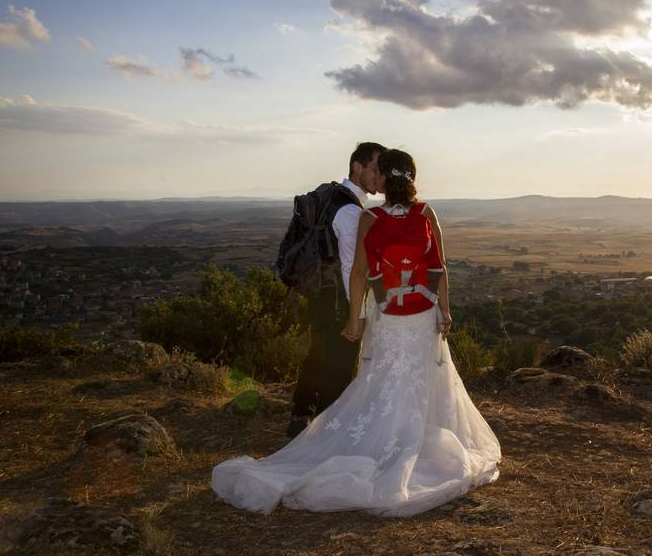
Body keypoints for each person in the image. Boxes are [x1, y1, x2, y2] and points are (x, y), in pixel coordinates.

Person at [212, 149, 501, 517]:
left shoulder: (369, 217)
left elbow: (358, 273)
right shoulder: (426, 212)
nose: (376, 178)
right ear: (411, 179)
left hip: (387, 315)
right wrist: (445, 310)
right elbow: (439, 266)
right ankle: (415, 439)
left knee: (382, 374)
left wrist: (354, 319)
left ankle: (375, 437)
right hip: (422, 311)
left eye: (379, 173)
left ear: (385, 179)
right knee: (423, 376)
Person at [286, 141, 386, 438]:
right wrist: (356, 312)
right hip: (338, 299)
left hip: (318, 293)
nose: (379, 177)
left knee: (318, 355)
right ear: (358, 167)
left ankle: (300, 416)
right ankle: (328, 434)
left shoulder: (329, 196)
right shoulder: (351, 212)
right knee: (339, 368)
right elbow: (351, 269)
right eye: (375, 169)